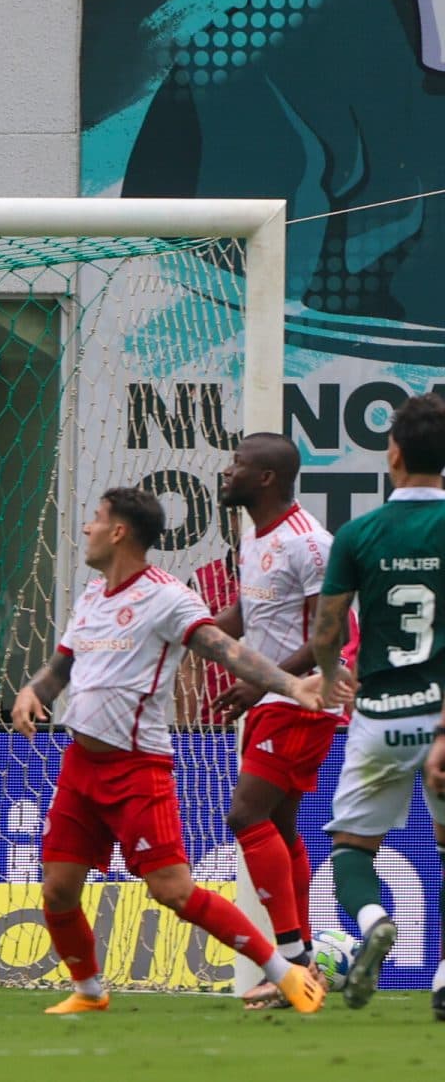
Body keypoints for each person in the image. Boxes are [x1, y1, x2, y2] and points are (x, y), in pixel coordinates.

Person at [11, 486, 325, 1015]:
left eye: (95, 518)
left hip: (137, 768)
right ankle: (89, 990)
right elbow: (62, 666)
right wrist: (32, 692)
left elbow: (226, 650)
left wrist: (292, 687)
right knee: (58, 889)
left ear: (119, 532)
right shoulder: (90, 596)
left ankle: (286, 973)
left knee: (173, 892)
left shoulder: (167, 597)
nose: (86, 528)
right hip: (79, 766)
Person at [311, 392, 445, 1015]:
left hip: (380, 718)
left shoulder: (358, 534)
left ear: (392, 455)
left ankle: (372, 921)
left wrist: (330, 673)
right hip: (443, 716)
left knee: (349, 849)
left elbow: (326, 628)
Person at [210, 433, 353, 1009]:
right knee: (282, 828)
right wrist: (192, 638)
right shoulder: (254, 536)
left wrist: (262, 679)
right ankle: (304, 959)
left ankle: (292, 963)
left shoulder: (310, 544)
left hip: (302, 700)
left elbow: (330, 634)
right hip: (273, 700)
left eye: (238, 465)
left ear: (265, 478)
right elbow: (249, 612)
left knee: (246, 815)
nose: (227, 471)